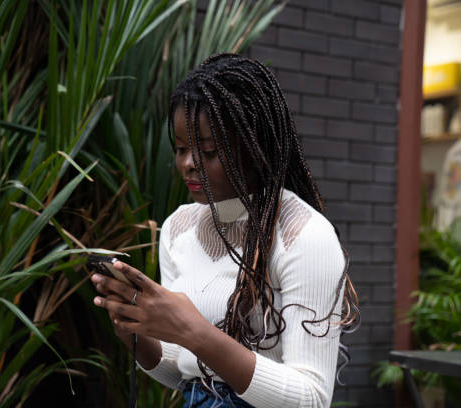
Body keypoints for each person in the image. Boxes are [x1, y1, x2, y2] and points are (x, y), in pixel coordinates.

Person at [91, 53, 359, 407]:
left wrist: (196, 332)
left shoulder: (304, 235)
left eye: (208, 151)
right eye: (182, 149)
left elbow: (312, 399)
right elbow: (181, 372)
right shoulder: (179, 230)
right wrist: (136, 333)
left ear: (254, 145)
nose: (188, 164)